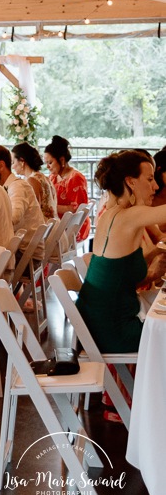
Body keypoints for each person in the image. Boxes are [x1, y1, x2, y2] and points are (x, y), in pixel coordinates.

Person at [76, 150, 166, 354]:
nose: (156, 186)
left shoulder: (111, 214)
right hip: (115, 330)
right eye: (150, 179)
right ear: (131, 182)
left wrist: (154, 256)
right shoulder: (129, 215)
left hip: (99, 323)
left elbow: (121, 269)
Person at [0, 144, 45, 239]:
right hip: (20, 246)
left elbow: (14, 216)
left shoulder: (17, 186)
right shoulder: (8, 185)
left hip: (24, 250)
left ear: (1, 166)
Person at [11, 141, 58, 222]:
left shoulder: (31, 181)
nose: (12, 166)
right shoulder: (45, 177)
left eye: (13, 162)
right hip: (53, 226)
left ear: (22, 161)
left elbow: (33, 213)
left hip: (44, 230)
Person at [44, 135, 88, 218]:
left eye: (50, 163)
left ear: (62, 160)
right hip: (59, 222)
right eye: (46, 163)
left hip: (73, 226)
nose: (47, 167)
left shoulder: (76, 178)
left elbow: (77, 209)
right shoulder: (53, 177)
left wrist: (51, 208)